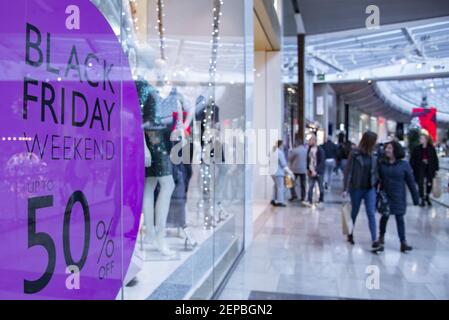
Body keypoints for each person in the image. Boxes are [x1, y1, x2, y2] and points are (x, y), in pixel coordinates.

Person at [377, 141, 419, 253]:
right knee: (384, 217)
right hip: (385, 195)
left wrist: (416, 198)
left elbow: (411, 182)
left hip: (398, 196)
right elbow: (377, 179)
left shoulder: (404, 165)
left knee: (400, 218)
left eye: (389, 148)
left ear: (395, 150)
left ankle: (403, 242)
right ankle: (381, 238)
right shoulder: (382, 163)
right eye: (386, 148)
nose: (387, 150)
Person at [343, 131, 381, 251]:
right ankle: (350, 233)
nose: (376, 143)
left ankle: (375, 240)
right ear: (369, 141)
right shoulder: (354, 154)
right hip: (356, 187)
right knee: (354, 212)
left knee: (371, 213)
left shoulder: (374, 154)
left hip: (370, 187)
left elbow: (376, 171)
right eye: (374, 141)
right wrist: (345, 188)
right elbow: (348, 172)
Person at [410, 134, 439, 207]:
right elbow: (412, 159)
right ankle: (422, 198)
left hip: (429, 168)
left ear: (426, 140)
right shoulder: (417, 148)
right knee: (420, 183)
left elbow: (435, 159)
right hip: (420, 168)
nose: (420, 140)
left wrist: (435, 169)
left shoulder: (431, 148)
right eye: (420, 138)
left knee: (429, 183)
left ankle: (427, 196)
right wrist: (412, 167)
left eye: (422, 138)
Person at [270, 140, 292, 207]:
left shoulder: (273, 152)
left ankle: (273, 199)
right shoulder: (280, 152)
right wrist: (289, 171)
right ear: (280, 145)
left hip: (273, 172)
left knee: (275, 186)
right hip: (278, 173)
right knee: (280, 187)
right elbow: (283, 164)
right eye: (283, 145)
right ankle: (280, 201)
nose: (284, 146)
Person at [306, 134, 325, 207]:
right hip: (311, 171)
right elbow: (308, 160)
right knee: (310, 186)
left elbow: (321, 162)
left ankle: (321, 200)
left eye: (310, 140)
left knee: (320, 186)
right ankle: (309, 200)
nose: (309, 142)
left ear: (314, 141)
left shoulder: (320, 150)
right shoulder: (309, 150)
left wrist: (316, 171)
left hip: (318, 171)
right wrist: (308, 169)